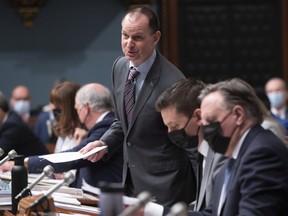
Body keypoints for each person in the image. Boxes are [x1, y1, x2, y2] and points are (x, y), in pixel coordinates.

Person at [80, 5, 195, 207]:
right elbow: (122, 121)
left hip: (166, 186)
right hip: (130, 182)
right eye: (125, 35)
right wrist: (104, 143)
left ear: (156, 37)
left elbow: (191, 145)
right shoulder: (120, 67)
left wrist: (201, 199)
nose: (129, 44)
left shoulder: (173, 82)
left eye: (138, 38)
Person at [191, 78, 288, 216]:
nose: (205, 129)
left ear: (238, 115)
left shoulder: (262, 154)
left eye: (211, 121)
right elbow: (213, 213)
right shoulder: (232, 161)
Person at [0, 83, 123, 189]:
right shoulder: (100, 126)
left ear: (85, 108)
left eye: (77, 108)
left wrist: (24, 163)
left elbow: (77, 156)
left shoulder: (105, 126)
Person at [155, 79, 226, 211]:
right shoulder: (201, 152)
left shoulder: (221, 156)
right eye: (167, 127)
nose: (171, 133)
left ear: (198, 116)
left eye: (175, 126)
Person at [0, 93, 48, 160]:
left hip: (39, 167)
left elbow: (1, 153)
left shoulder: (12, 125)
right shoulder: (10, 118)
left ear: (1, 108)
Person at [49, 81, 83, 153]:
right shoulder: (64, 132)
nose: (52, 108)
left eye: (57, 106)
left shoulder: (82, 134)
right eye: (52, 104)